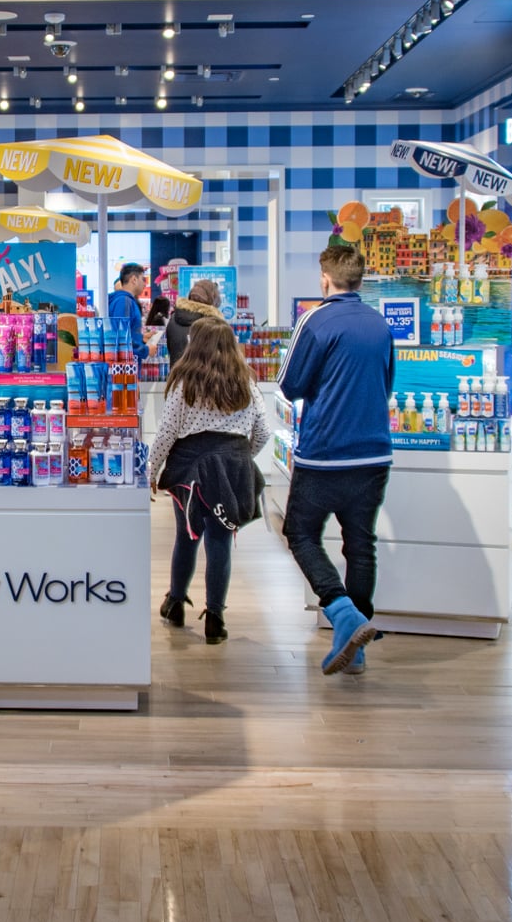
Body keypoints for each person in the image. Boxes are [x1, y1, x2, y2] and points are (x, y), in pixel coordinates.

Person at [278, 244, 395, 675]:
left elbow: (290, 385)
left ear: (324, 278)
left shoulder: (315, 320)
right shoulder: (380, 325)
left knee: (300, 532)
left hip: (325, 453)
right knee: (360, 544)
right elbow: (386, 385)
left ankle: (343, 614)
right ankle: (356, 649)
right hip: (375, 452)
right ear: (360, 280)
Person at [148, 317, 270, 644]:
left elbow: (166, 434)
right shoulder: (246, 383)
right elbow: (263, 432)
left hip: (188, 469)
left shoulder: (185, 383)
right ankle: (215, 617)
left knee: (186, 538)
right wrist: (241, 459)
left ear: (196, 345)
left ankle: (175, 602)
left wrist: (150, 471)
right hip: (232, 468)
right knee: (220, 543)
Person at [163, 278, 221, 366]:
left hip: (176, 375)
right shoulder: (211, 322)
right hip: (202, 377)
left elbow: (170, 348)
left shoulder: (174, 318)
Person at [107, 262, 149, 361]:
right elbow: (121, 337)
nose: (145, 284)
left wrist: (141, 338)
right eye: (143, 279)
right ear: (134, 280)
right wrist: (145, 350)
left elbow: (125, 332)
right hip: (125, 369)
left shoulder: (126, 301)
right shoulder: (124, 302)